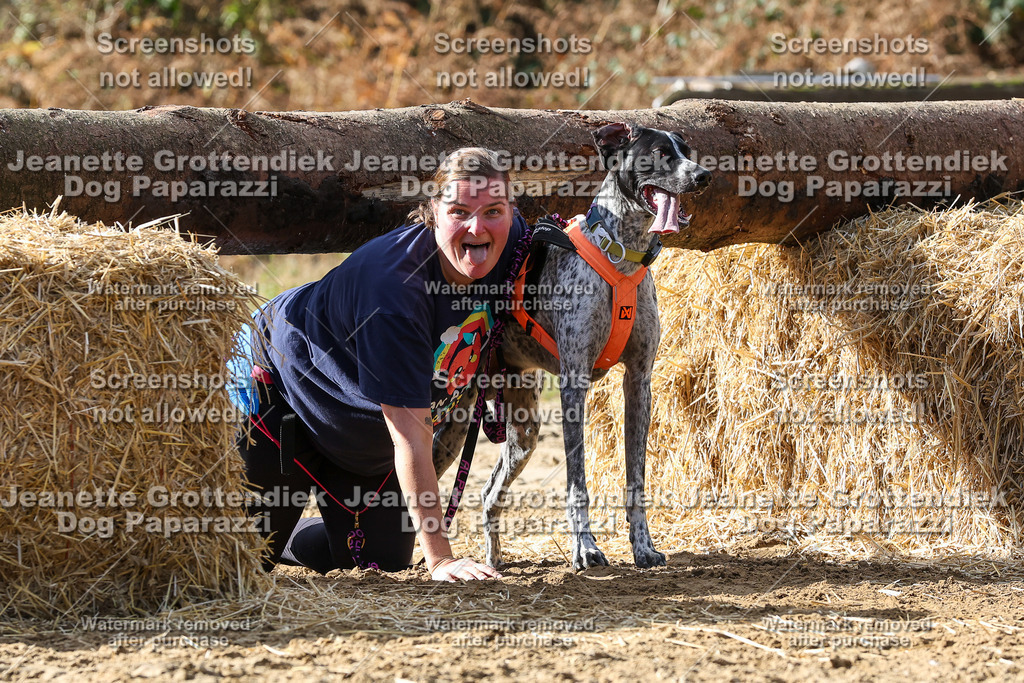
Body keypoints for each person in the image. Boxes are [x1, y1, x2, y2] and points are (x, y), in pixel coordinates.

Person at [232, 148, 525, 582]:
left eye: (493, 212)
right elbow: (409, 432)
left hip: (357, 423)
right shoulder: (395, 295)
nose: (477, 228)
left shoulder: (515, 246)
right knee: (241, 562)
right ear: (432, 211)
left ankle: (298, 526)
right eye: (459, 211)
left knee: (379, 561)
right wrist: (441, 559)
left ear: (511, 211)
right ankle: (270, 520)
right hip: (281, 392)